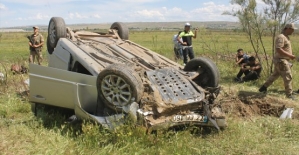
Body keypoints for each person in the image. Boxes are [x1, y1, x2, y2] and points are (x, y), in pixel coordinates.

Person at [259, 23, 297, 99]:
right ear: (288, 28)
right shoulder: (281, 37)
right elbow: (279, 49)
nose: (293, 31)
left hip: (281, 60)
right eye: (292, 30)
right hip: (281, 60)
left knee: (275, 75)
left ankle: (263, 87)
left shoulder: (286, 37)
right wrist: (290, 56)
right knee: (288, 77)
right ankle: (289, 95)